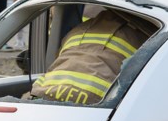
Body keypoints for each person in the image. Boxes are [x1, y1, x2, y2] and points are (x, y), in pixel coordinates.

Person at [29, 8, 157, 105]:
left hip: (43, 95)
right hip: (100, 105)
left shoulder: (76, 31)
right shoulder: (153, 38)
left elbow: (55, 62)